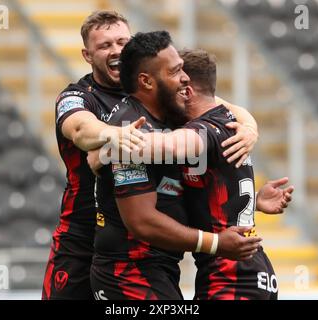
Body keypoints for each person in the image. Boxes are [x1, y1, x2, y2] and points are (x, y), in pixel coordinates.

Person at [42, 11, 259, 300]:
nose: (116, 50)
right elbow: (80, 128)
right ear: (87, 55)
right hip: (84, 239)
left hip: (148, 251)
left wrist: (249, 128)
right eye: (105, 45)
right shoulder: (79, 97)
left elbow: (221, 108)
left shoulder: (160, 91)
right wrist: (114, 138)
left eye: (122, 41)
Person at [89, 31, 290, 300]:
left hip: (229, 276)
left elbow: (171, 147)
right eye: (175, 72)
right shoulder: (140, 121)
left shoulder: (194, 130)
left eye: (183, 72)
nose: (182, 79)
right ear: (147, 81)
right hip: (129, 273)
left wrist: (110, 147)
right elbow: (142, 221)